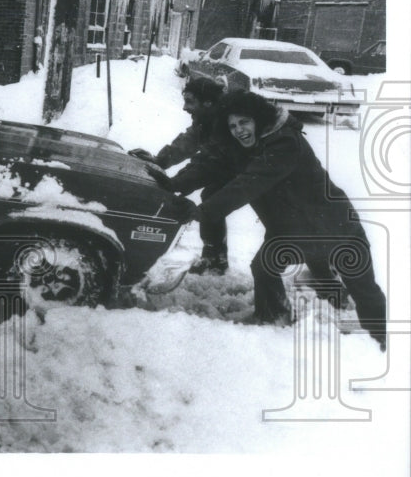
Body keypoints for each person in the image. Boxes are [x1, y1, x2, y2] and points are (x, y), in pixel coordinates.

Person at [164, 90, 387, 351]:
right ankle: (275, 319)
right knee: (266, 266)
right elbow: (211, 166)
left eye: (244, 122)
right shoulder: (245, 148)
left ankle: (381, 343)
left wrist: (202, 212)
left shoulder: (285, 144)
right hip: (292, 229)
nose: (239, 130)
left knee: (363, 288)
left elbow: (248, 185)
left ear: (259, 119)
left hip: (336, 227)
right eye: (233, 126)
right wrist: (170, 183)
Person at [130, 76, 231, 275]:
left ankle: (216, 258)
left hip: (266, 174)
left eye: (190, 102)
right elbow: (187, 143)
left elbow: (208, 164)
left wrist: (176, 183)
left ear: (208, 102)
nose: (185, 108)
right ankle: (214, 257)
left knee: (213, 199)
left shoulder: (226, 124)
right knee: (211, 196)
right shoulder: (206, 118)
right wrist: (159, 161)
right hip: (232, 167)